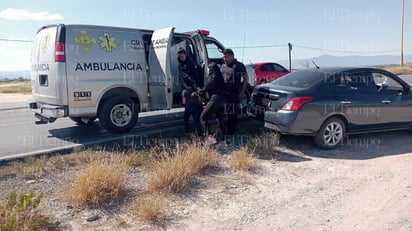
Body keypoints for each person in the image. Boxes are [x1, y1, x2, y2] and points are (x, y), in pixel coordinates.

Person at [220, 48, 249, 135]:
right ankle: (223, 130)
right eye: (224, 57)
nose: (225, 59)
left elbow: (245, 79)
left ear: (232, 56)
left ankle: (231, 133)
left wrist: (243, 91)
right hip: (223, 94)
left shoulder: (239, 65)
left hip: (234, 94)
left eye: (226, 57)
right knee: (222, 113)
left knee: (232, 114)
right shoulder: (222, 66)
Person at [199, 62, 227, 148]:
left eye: (208, 68)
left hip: (215, 99)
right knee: (220, 120)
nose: (207, 70)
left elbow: (206, 88)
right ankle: (223, 142)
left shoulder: (212, 77)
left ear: (211, 69)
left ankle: (210, 139)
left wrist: (198, 93)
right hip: (222, 100)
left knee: (202, 117)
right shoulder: (220, 77)